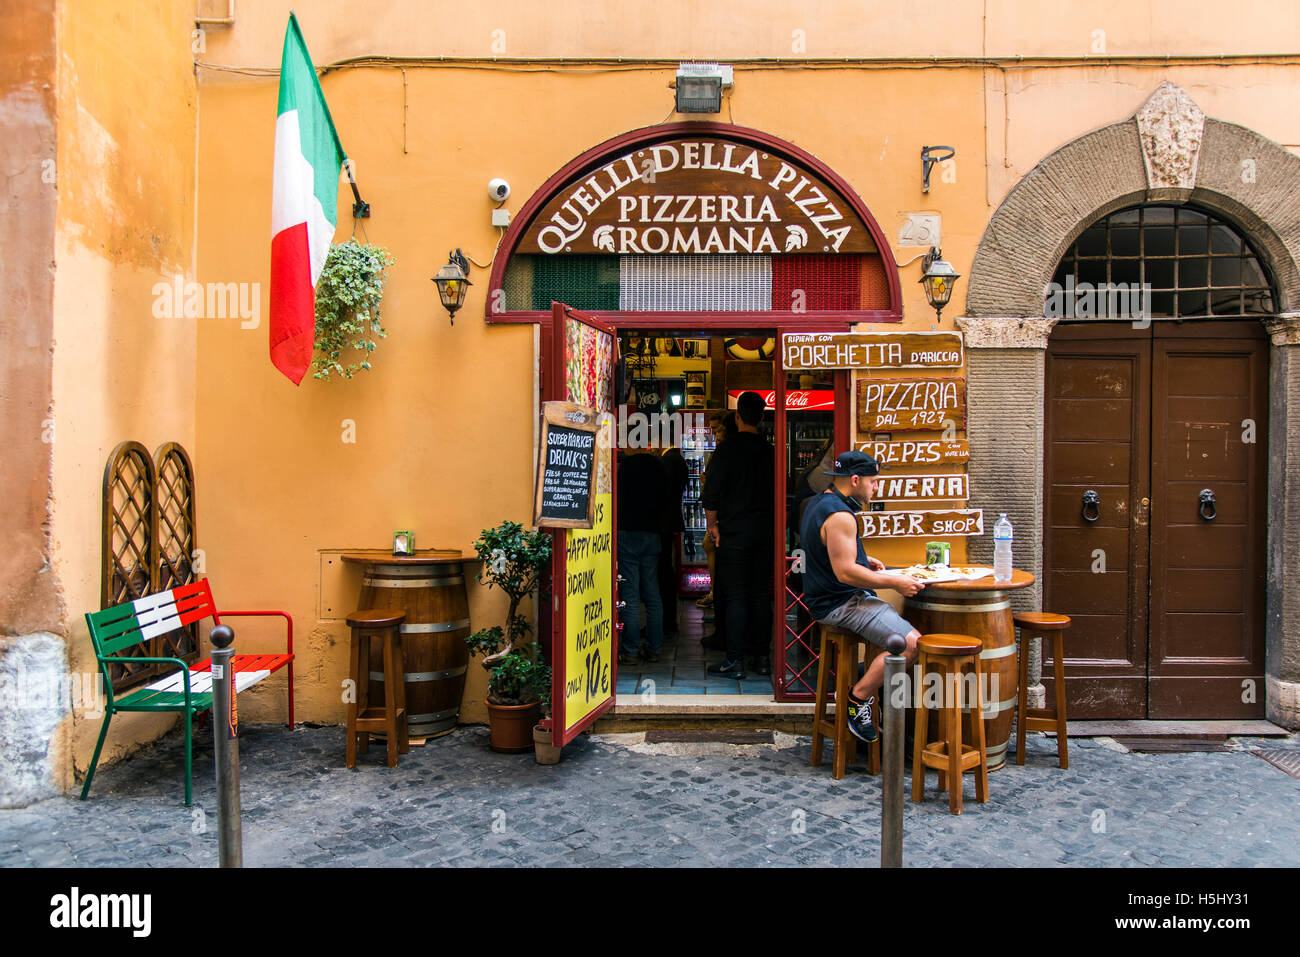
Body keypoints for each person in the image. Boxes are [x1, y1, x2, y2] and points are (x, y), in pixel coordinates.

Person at [799, 450, 924, 743]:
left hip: (828, 599)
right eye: (873, 481)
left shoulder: (819, 502)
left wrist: (863, 560)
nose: (876, 487)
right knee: (911, 645)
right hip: (842, 603)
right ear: (855, 480)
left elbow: (829, 555)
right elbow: (844, 573)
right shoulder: (842, 515)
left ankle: (864, 673)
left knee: (901, 641)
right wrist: (893, 581)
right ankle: (858, 699)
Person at [701, 392, 774, 679]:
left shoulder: (727, 450)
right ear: (763, 417)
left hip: (734, 533)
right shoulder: (770, 451)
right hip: (764, 533)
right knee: (759, 594)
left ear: (738, 417)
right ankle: (763, 657)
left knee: (735, 596)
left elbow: (711, 494)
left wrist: (713, 525)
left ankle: (735, 659)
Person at [616, 445, 670, 664]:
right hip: (652, 533)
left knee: (629, 594)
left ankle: (629, 650)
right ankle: (654, 648)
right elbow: (666, 497)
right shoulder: (658, 465)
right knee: (652, 594)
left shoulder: (624, 466)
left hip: (628, 532)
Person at [658, 442, 688, 634]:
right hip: (670, 522)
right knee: (666, 570)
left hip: (662, 524)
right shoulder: (678, 460)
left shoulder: (667, 461)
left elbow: (662, 494)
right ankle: (667, 621)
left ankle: (666, 622)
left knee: (663, 573)